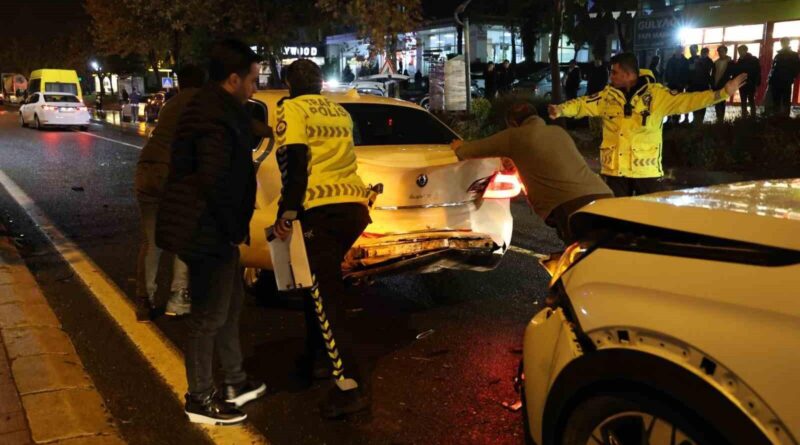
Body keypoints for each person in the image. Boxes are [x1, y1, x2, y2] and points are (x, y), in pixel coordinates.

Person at [156, 39, 266, 425]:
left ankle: (235, 380)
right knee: (207, 317)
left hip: (213, 226)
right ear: (233, 78)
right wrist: (233, 228)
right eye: (253, 79)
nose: (255, 86)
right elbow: (216, 179)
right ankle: (199, 398)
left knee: (229, 307)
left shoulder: (217, 107)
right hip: (207, 228)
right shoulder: (212, 114)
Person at [272, 59, 372, 418]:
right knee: (316, 287)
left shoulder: (292, 110)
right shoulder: (338, 111)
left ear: (288, 83)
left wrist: (287, 212)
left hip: (321, 210)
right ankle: (315, 359)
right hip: (353, 209)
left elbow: (294, 162)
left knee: (326, 298)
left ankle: (349, 386)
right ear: (318, 83)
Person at [549, 52, 747, 197]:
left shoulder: (657, 95)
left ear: (629, 74)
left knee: (648, 220)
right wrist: (560, 110)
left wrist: (721, 93)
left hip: (646, 172)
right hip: (615, 171)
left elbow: (689, 101)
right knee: (615, 220)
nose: (611, 76)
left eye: (615, 73)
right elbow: (583, 104)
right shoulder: (607, 97)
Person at [451, 103, 612, 243]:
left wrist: (458, 146)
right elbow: (544, 158)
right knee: (612, 251)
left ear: (513, 123)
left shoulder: (514, 136)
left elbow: (470, 151)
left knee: (582, 260)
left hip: (569, 205)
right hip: (603, 195)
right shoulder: (558, 131)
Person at [134, 65, 205, 322]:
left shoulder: (171, 104)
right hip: (172, 172)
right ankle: (178, 297)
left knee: (151, 241)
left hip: (147, 169)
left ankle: (144, 301)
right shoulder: (200, 102)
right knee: (184, 236)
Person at [768, 37, 800, 117]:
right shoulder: (778, 55)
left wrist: (790, 77)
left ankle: (784, 117)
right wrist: (770, 79)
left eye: (784, 42)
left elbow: (797, 68)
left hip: (785, 80)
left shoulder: (793, 55)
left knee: (785, 99)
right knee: (777, 99)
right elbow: (773, 68)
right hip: (776, 81)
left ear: (788, 43)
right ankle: (777, 116)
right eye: (782, 42)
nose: (783, 44)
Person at [687, 46, 714, 124]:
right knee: (695, 102)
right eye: (703, 53)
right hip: (695, 85)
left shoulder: (709, 61)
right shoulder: (697, 60)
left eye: (705, 53)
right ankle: (695, 118)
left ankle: (700, 119)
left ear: (707, 53)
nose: (703, 54)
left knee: (703, 102)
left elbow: (709, 71)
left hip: (704, 85)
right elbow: (691, 71)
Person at [664, 48, 689, 123]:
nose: (678, 52)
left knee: (678, 102)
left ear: (681, 51)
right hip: (671, 84)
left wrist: (685, 83)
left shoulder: (685, 61)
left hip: (680, 85)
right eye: (677, 50)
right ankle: (669, 117)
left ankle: (676, 118)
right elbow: (667, 70)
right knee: (670, 101)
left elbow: (687, 73)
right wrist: (666, 81)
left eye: (679, 50)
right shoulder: (671, 60)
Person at [736, 45, 761, 118]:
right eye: (739, 51)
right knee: (744, 100)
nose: (740, 53)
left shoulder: (753, 59)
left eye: (741, 51)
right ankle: (745, 115)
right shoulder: (740, 60)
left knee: (751, 100)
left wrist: (756, 83)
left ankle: (752, 116)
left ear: (745, 51)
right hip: (742, 83)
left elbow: (757, 71)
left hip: (750, 83)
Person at [712, 45, 735, 122]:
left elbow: (732, 74)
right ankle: (718, 118)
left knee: (722, 102)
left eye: (722, 51)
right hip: (716, 85)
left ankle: (721, 119)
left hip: (724, 85)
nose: (720, 53)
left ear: (725, 52)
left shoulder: (730, 62)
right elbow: (713, 74)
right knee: (717, 102)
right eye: (719, 51)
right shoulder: (716, 62)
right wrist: (712, 84)